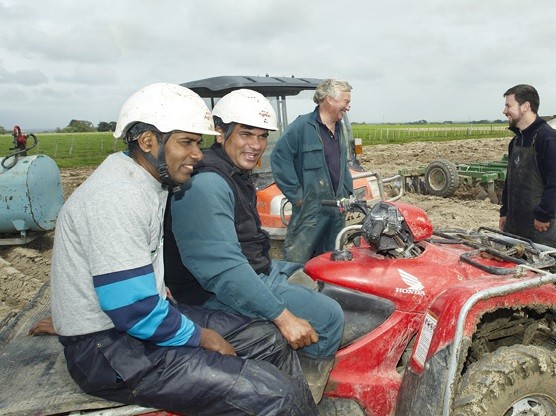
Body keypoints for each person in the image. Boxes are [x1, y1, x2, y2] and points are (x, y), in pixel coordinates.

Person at [49, 83, 318, 415]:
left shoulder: (148, 182)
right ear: (149, 141)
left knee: (269, 339)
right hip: (108, 349)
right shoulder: (117, 197)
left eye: (199, 143)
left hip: (128, 323)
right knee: (274, 394)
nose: (198, 154)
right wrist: (202, 337)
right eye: (186, 142)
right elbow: (134, 310)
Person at [164, 88, 344, 403]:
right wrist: (283, 317)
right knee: (330, 317)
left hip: (251, 266)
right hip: (209, 294)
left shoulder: (233, 172)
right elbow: (222, 271)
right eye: (246, 134)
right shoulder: (207, 183)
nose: (256, 145)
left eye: (261, 136)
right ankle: (302, 397)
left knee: (313, 272)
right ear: (220, 133)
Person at [270, 79, 354, 263]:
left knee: (332, 258)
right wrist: (297, 196)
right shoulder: (302, 126)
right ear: (330, 100)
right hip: (310, 208)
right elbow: (279, 158)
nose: (348, 106)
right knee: (297, 260)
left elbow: (341, 165)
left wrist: (348, 192)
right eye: (346, 101)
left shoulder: (340, 129)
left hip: (336, 208)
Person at [499, 84, 556, 249]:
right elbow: (510, 181)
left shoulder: (549, 140)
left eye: (508, 105)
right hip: (515, 227)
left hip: (541, 230)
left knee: (546, 271)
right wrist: (505, 212)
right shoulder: (516, 141)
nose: (504, 111)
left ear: (525, 106)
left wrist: (543, 214)